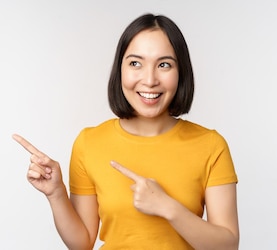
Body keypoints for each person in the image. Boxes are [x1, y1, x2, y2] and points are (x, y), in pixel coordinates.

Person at [13, 13, 239, 250]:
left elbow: (227, 246)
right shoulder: (89, 143)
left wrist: (168, 208)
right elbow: (82, 243)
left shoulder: (210, 145)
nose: (150, 80)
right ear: (120, 69)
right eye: (135, 63)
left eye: (164, 64)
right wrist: (56, 193)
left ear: (180, 71)